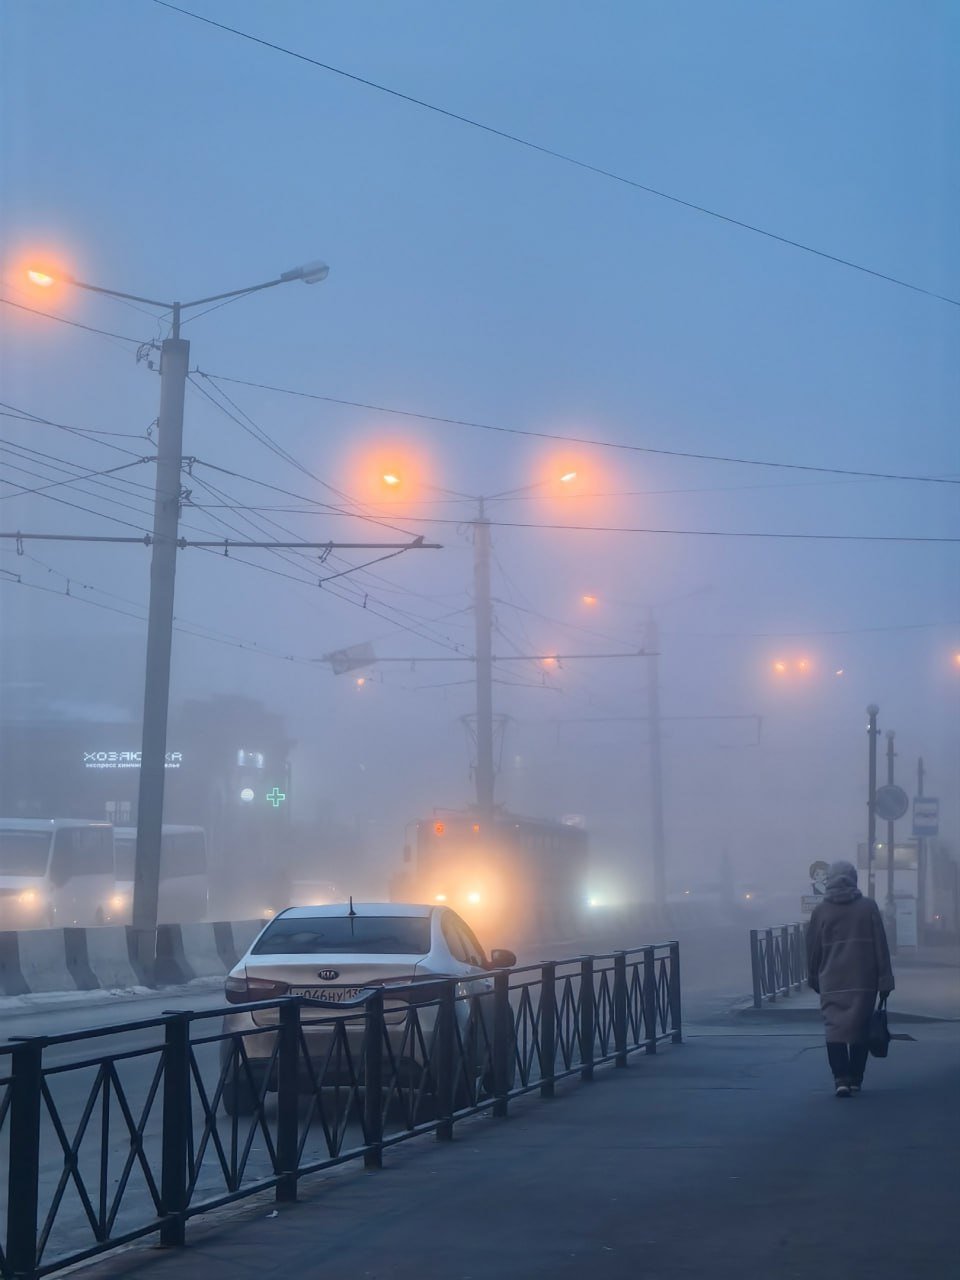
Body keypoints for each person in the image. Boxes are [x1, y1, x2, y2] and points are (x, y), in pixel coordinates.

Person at [805, 860, 894, 1098]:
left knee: (834, 1029)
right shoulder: (868, 907)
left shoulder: (821, 911)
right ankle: (855, 1077)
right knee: (860, 1027)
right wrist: (885, 980)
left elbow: (813, 948)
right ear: (854, 879)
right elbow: (880, 946)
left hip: (831, 979)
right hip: (864, 979)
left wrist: (813, 977)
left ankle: (840, 1078)